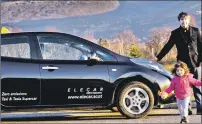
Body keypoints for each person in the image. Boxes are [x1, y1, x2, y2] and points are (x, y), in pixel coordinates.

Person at [153, 12, 202, 115]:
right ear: (179, 21)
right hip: (182, 65)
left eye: (185, 19)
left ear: (189, 20)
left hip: (196, 63)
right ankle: (187, 108)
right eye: (182, 20)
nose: (184, 21)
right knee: (184, 86)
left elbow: (201, 46)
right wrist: (158, 57)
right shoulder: (175, 33)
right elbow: (168, 46)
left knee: (197, 86)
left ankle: (199, 107)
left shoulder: (196, 31)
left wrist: (200, 61)